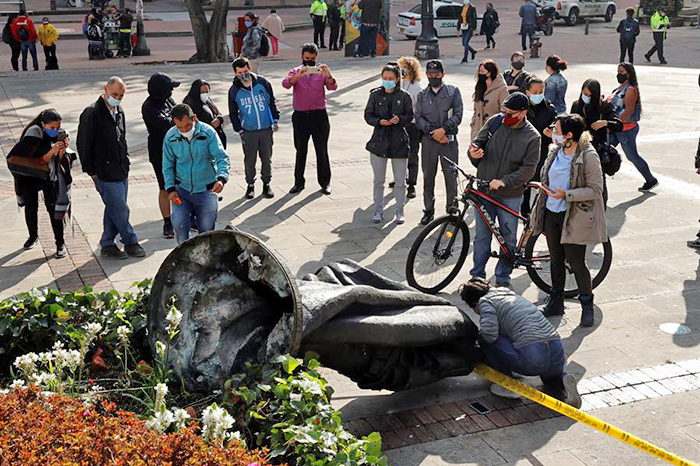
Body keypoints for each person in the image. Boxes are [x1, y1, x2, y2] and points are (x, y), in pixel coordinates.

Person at [530, 114, 607, 327]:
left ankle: (587, 305)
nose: (553, 131)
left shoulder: (588, 155)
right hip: (551, 213)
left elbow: (596, 189)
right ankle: (556, 301)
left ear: (569, 134)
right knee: (555, 259)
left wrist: (567, 194)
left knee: (576, 262)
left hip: (573, 215)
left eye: (557, 129)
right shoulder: (556, 150)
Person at [459, 277, 582, 407]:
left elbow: (489, 335)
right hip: (556, 351)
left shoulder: (485, 302)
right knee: (549, 377)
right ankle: (562, 380)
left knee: (487, 338)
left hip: (533, 358)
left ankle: (509, 385)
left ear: (473, 304)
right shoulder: (508, 293)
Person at [468, 92, 540, 286]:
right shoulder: (495, 122)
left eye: (510, 113)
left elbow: (528, 170)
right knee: (481, 236)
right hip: (485, 190)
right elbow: (478, 141)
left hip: (510, 195)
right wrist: (473, 152)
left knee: (508, 238)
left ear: (523, 113)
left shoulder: (532, 137)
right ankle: (477, 275)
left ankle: (502, 277)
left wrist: (504, 181)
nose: (505, 116)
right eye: (504, 111)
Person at [77, 77, 145, 260]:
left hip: (120, 168)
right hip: (104, 171)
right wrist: (91, 171)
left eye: (121, 95)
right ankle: (130, 240)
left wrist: (125, 161)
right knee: (120, 209)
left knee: (114, 207)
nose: (118, 98)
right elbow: (84, 143)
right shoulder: (92, 113)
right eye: (115, 94)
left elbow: (121, 138)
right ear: (105, 89)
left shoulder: (119, 111)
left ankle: (107, 243)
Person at [162, 104, 230, 244]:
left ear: (194, 118)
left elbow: (221, 157)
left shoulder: (208, 132)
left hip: (206, 190)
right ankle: (184, 254)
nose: (184, 130)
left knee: (206, 233)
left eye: (187, 125)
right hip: (182, 190)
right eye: (180, 127)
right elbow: (167, 165)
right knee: (179, 225)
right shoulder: (170, 136)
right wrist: (170, 189)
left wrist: (222, 178)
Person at [8, 109, 70, 257]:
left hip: (49, 175)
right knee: (31, 206)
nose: (55, 130)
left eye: (58, 127)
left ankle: (60, 243)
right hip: (29, 175)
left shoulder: (60, 134)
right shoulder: (33, 133)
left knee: (54, 209)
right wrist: (52, 151)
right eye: (51, 127)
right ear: (43, 124)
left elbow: (60, 160)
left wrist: (63, 150)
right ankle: (33, 236)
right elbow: (39, 160)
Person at [282, 43, 337, 195]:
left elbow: (332, 87)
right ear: (302, 56)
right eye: (307, 58)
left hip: (319, 116)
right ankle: (298, 182)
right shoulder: (295, 71)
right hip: (301, 116)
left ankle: (325, 183)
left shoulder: (321, 72)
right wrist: (298, 76)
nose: (309, 61)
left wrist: (328, 75)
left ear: (316, 57)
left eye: (312, 59)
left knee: (322, 150)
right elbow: (286, 84)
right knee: (301, 150)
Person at [414, 60, 463, 225]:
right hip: (429, 142)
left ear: (443, 74)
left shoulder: (453, 92)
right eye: (430, 74)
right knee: (428, 176)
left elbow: (458, 114)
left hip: (448, 140)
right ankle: (428, 210)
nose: (433, 77)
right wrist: (433, 132)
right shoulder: (422, 95)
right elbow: (418, 117)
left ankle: (452, 208)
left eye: (436, 74)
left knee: (451, 176)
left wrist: (444, 130)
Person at [364, 63, 414, 225]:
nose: (387, 81)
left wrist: (400, 120)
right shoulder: (375, 95)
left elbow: (410, 116)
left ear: (397, 79)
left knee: (400, 181)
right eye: (384, 78)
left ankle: (399, 210)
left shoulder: (404, 96)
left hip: (399, 141)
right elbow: (368, 115)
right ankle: (378, 210)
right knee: (379, 180)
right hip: (379, 141)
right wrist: (379, 122)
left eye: (390, 78)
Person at [229, 58, 279, 199]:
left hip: (265, 128)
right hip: (248, 131)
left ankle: (266, 183)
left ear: (250, 68)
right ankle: (250, 184)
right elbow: (233, 113)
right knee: (250, 160)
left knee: (267, 158)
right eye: (239, 73)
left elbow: (271, 102)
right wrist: (240, 130)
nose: (243, 75)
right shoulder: (234, 90)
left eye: (245, 71)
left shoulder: (262, 83)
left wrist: (275, 120)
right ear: (235, 73)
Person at [570, 78, 623, 205]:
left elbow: (619, 125)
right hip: (579, 150)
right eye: (584, 94)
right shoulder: (577, 105)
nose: (586, 97)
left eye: (590, 95)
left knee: (599, 182)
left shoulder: (604, 106)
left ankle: (601, 208)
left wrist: (605, 123)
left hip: (597, 151)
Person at [142, 72, 180, 239]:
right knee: (165, 187)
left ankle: (184, 216)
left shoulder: (168, 101)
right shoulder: (149, 106)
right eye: (169, 88)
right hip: (160, 151)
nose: (171, 92)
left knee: (182, 184)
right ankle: (167, 221)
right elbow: (166, 124)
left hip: (177, 148)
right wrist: (178, 121)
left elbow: (180, 114)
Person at [609, 62, 658, 191]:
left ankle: (650, 180)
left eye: (622, 72)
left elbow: (628, 111)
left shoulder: (630, 90)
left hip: (625, 129)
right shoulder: (619, 88)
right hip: (617, 129)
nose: (619, 74)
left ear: (629, 74)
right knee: (604, 150)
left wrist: (615, 123)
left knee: (632, 156)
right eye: (618, 72)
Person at [521, 76, 556, 217]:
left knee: (540, 182)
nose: (538, 95)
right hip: (523, 151)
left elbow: (557, 128)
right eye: (534, 92)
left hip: (542, 151)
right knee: (524, 183)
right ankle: (524, 211)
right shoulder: (521, 108)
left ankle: (538, 212)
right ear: (527, 92)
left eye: (541, 92)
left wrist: (552, 133)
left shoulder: (549, 109)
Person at [398, 56, 424, 200]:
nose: (402, 71)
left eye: (405, 68)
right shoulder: (401, 83)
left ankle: (411, 184)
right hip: (400, 124)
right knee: (398, 153)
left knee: (412, 155)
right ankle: (400, 178)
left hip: (412, 125)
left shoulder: (417, 87)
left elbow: (420, 109)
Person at [470, 60, 509, 141]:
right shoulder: (480, 87)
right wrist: (473, 127)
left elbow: (505, 112)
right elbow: (476, 111)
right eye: (479, 71)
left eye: (482, 71)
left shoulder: (502, 89)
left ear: (490, 72)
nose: (480, 74)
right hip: (478, 132)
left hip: (494, 134)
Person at [183, 79, 228, 149]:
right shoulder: (189, 104)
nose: (205, 94)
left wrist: (219, 119)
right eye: (202, 92)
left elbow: (217, 112)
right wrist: (209, 126)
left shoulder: (207, 100)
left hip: (215, 138)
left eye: (207, 92)